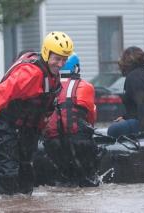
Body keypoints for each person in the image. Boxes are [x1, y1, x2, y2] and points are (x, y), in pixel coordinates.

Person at [0, 31, 74, 195]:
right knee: (8, 173)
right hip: (5, 125)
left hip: (26, 130)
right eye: (57, 58)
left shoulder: (53, 78)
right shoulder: (31, 73)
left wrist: (42, 130)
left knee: (27, 174)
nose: (60, 64)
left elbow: (45, 109)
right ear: (46, 53)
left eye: (64, 59)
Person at [43, 52, 99, 186]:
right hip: (78, 141)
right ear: (76, 68)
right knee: (88, 183)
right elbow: (91, 118)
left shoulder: (46, 85)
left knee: (62, 183)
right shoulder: (85, 86)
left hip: (52, 143)